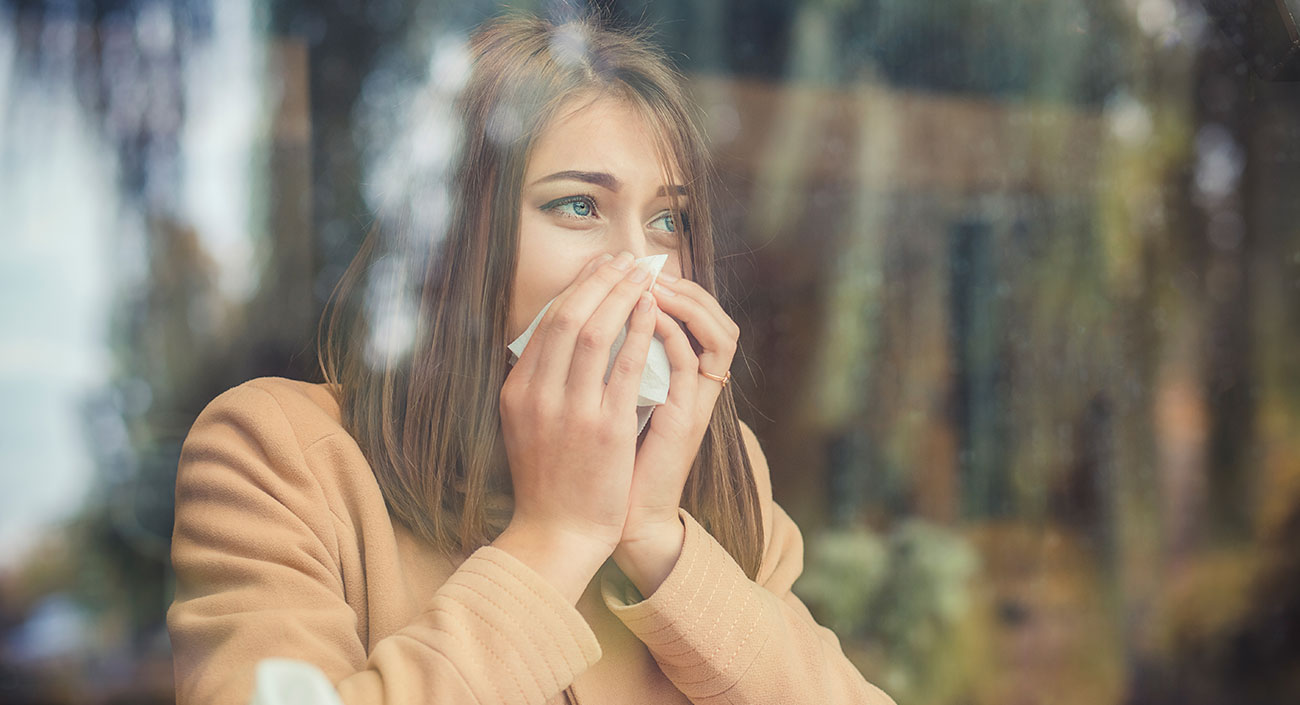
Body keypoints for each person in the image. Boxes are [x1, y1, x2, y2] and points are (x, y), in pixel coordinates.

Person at [167, 11, 895, 705]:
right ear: (456, 242)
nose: (636, 262)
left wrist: (657, 536)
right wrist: (559, 535)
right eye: (579, 205)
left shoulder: (718, 472)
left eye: (666, 220)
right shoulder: (278, 454)